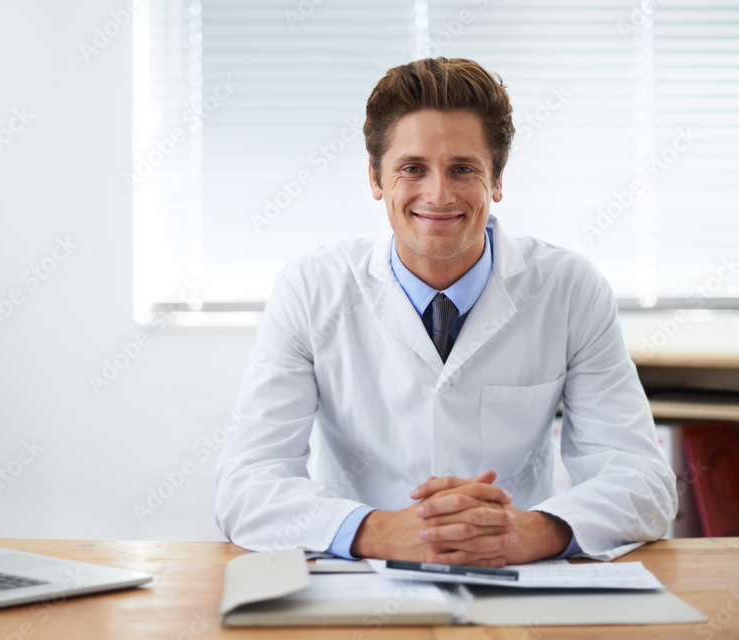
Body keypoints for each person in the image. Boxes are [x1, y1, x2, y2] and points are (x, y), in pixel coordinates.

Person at [214, 57, 676, 566]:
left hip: (518, 578)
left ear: (496, 180)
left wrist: (529, 532)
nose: (438, 195)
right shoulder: (309, 289)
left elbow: (643, 480)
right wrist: (375, 531)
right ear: (375, 178)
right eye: (413, 168)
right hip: (357, 584)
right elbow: (246, 485)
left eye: (463, 169)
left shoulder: (571, 289)